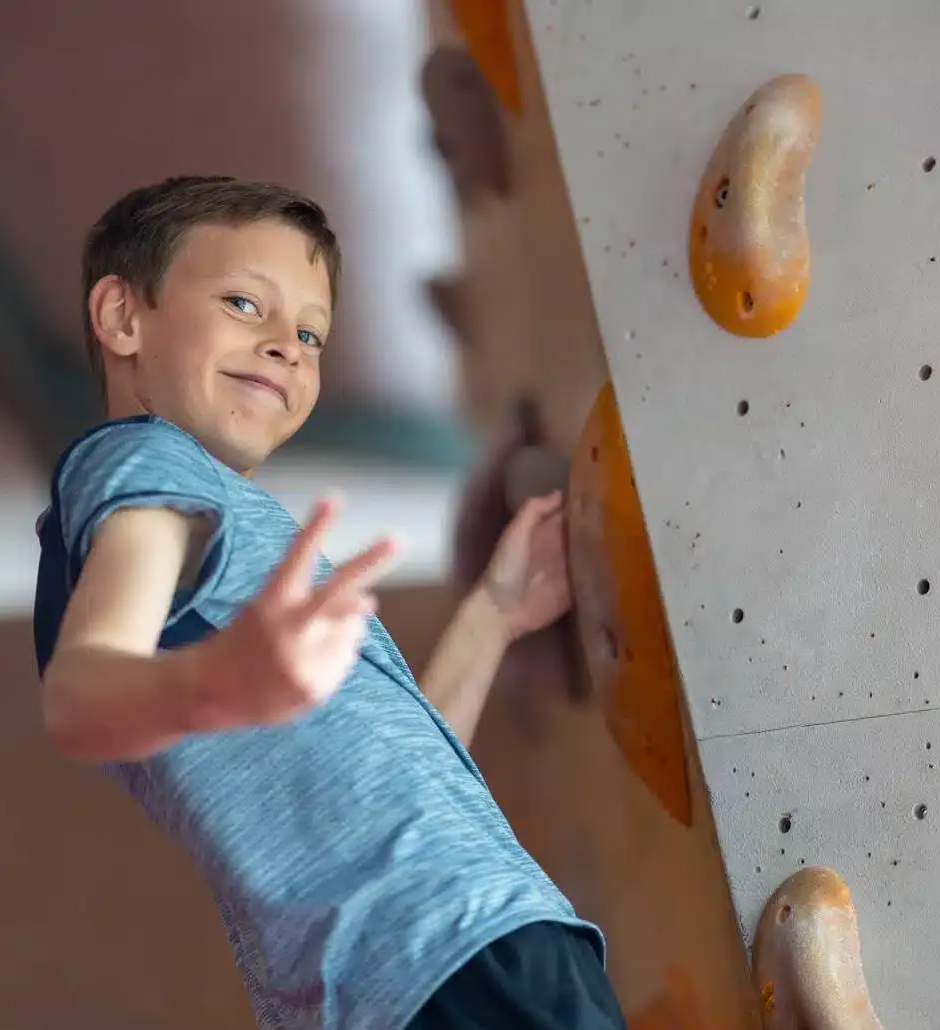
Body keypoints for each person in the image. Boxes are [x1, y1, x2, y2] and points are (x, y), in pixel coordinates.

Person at [32, 176, 626, 1030]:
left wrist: (493, 614)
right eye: (244, 304)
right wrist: (222, 683)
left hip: (429, 962)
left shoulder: (201, 532)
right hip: (447, 952)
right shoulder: (142, 465)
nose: (287, 347)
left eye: (311, 333)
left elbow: (395, 781)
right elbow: (79, 700)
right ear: (124, 318)